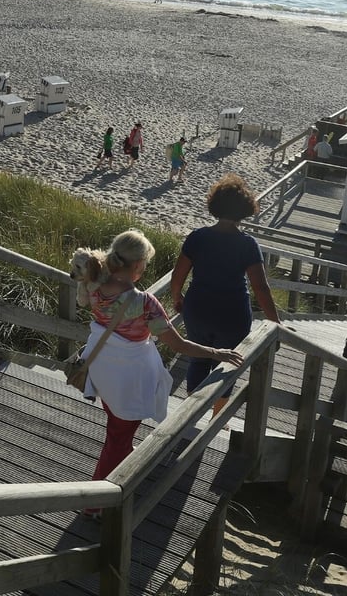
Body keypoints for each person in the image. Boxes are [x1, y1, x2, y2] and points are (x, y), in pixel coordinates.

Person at [76, 230, 243, 513]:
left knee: (116, 430)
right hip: (130, 378)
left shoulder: (94, 284)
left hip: (104, 369)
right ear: (139, 266)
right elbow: (178, 345)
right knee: (118, 437)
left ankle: (121, 471)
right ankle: (96, 504)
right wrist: (217, 353)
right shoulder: (143, 303)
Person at [169, 175, 281, 414]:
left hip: (198, 308)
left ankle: (190, 414)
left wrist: (177, 297)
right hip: (232, 314)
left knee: (198, 358)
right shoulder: (247, 244)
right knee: (227, 363)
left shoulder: (197, 237)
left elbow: (178, 276)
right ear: (244, 209)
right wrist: (274, 322)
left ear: (215, 205)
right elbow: (260, 287)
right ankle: (216, 417)